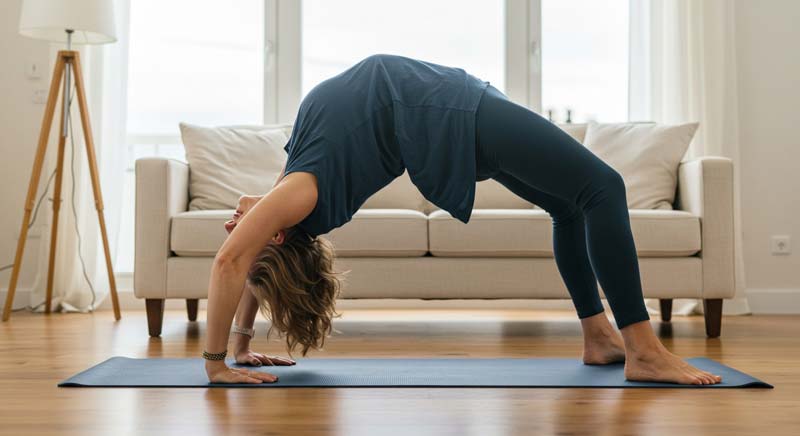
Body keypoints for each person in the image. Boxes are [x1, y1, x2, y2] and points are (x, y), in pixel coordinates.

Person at [203, 54, 722, 386]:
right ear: (274, 233)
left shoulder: (289, 189)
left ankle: (600, 338)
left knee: (567, 205)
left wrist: (243, 346)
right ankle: (642, 348)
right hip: (451, 114)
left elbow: (251, 262)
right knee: (603, 187)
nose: (233, 224)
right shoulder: (298, 195)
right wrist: (215, 364)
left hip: (447, 114)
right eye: (246, 230)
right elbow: (233, 260)